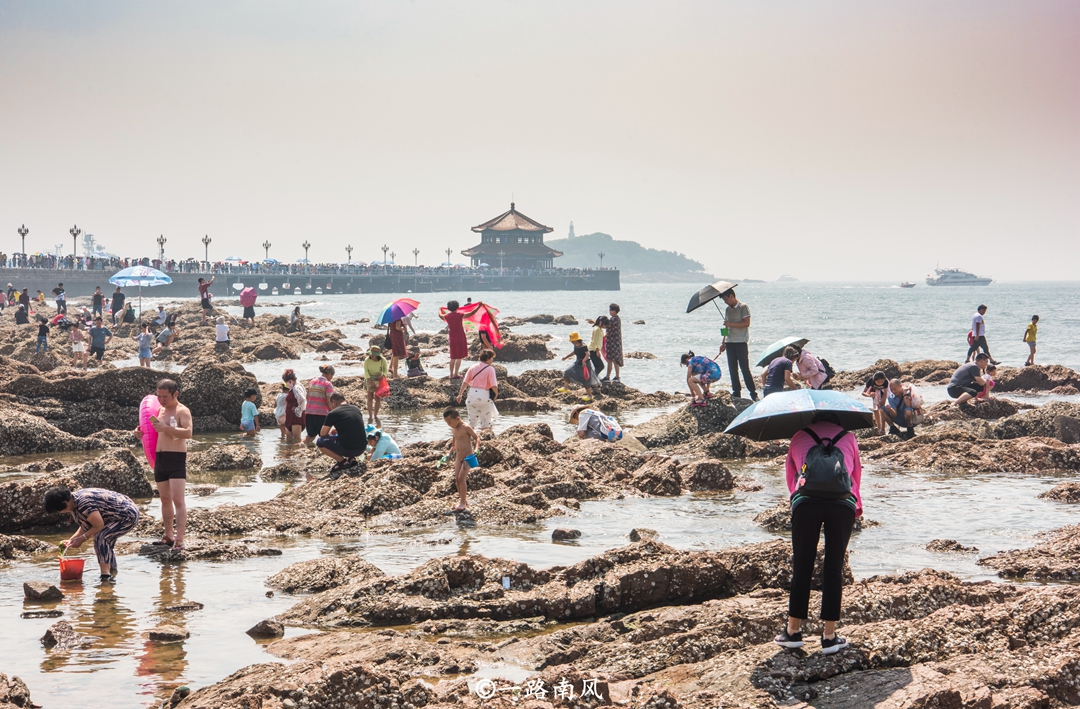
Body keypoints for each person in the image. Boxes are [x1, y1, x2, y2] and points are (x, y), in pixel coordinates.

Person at [774, 411, 862, 655]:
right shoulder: (849, 437)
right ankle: (829, 637)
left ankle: (792, 633)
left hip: (806, 503)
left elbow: (791, 477)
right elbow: (855, 475)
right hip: (842, 504)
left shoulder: (799, 436)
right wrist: (857, 507)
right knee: (834, 568)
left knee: (802, 565)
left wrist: (798, 501)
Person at [44, 487, 140, 584]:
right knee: (104, 540)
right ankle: (112, 571)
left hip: (126, 515)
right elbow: (87, 525)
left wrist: (82, 539)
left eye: (58, 509)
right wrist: (72, 540)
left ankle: (105, 577)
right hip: (112, 517)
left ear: (64, 503)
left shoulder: (84, 504)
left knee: (101, 537)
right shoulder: (74, 502)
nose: (59, 512)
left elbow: (98, 525)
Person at [146, 379, 192, 552]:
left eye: (165, 396)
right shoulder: (160, 410)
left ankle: (180, 539)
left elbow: (188, 432)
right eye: (159, 396)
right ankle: (168, 536)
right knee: (164, 499)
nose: (161, 400)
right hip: (160, 458)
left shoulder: (182, 411)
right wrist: (139, 433)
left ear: (175, 394)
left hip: (176, 458)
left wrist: (166, 428)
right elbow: (153, 432)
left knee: (178, 500)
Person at [717, 288, 757, 401]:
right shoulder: (727, 310)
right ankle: (736, 393)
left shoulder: (743, 307)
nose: (725, 302)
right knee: (732, 369)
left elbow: (746, 323)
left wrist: (731, 323)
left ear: (731, 296)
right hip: (730, 342)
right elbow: (726, 326)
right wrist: (723, 342)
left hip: (741, 342)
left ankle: (753, 393)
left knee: (744, 368)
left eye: (726, 300)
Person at [316, 392, 367, 471]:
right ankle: (351, 458)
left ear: (334, 402)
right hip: (362, 448)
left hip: (347, 449)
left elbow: (323, 434)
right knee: (347, 437)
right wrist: (338, 430)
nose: (330, 407)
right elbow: (354, 426)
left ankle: (342, 461)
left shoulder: (333, 413)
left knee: (320, 441)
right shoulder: (356, 409)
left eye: (330, 404)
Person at [444, 408, 479, 512]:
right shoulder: (454, 428)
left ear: (457, 418)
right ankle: (463, 500)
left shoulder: (466, 428)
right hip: (458, 457)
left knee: (461, 477)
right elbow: (455, 437)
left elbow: (477, 438)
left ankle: (463, 503)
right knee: (457, 479)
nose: (449, 424)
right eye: (447, 422)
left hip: (468, 457)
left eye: (450, 422)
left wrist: (476, 449)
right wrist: (453, 447)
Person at [458, 349, 499, 432]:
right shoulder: (490, 369)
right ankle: (484, 441)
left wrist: (460, 394)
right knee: (486, 423)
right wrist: (496, 394)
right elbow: (494, 385)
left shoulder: (473, 367)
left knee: (471, 422)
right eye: (491, 358)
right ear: (487, 358)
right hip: (484, 395)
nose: (492, 360)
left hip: (472, 395)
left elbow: (465, 382)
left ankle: (467, 439)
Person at [558, 332, 595, 401]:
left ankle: (590, 396)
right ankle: (566, 388)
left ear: (577, 339)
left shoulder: (583, 345)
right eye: (571, 340)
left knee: (585, 379)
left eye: (573, 340)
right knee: (567, 372)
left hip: (585, 364)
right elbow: (574, 352)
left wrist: (584, 360)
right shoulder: (575, 345)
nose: (572, 341)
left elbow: (588, 354)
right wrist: (566, 357)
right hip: (577, 363)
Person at [303, 365, 336, 444]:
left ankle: (297, 447)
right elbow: (329, 401)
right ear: (330, 374)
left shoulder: (312, 381)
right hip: (321, 414)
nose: (331, 378)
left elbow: (307, 397)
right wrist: (334, 412)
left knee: (310, 436)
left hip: (309, 413)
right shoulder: (328, 384)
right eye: (332, 376)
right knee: (324, 436)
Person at [441, 300, 468, 379]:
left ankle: (451, 374)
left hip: (452, 338)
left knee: (453, 357)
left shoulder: (447, 316)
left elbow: (440, 315)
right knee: (459, 357)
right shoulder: (460, 315)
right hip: (460, 337)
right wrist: (479, 306)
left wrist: (439, 309)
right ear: (458, 307)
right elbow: (471, 313)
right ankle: (456, 374)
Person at [363, 346, 389, 424]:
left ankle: (375, 415)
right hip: (369, 378)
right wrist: (370, 381)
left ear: (377, 355)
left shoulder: (383, 360)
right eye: (371, 354)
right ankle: (370, 415)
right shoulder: (367, 360)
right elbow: (366, 372)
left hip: (379, 379)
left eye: (373, 355)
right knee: (370, 397)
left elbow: (385, 370)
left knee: (378, 398)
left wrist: (382, 376)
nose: (372, 356)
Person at [282, 369, 307, 440]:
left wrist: (297, 409)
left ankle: (297, 451)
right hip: (290, 416)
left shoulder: (296, 388)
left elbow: (302, 399)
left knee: (296, 439)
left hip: (296, 417)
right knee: (289, 438)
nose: (286, 384)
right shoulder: (293, 387)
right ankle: (290, 451)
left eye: (286, 382)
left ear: (290, 381)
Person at [602, 303, 623, 382]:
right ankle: (609, 376)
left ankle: (615, 376)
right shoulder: (617, 319)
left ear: (614, 311)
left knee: (613, 359)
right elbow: (610, 329)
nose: (610, 311)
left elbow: (607, 326)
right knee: (611, 359)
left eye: (611, 310)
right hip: (613, 341)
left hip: (613, 342)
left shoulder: (613, 319)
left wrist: (596, 323)